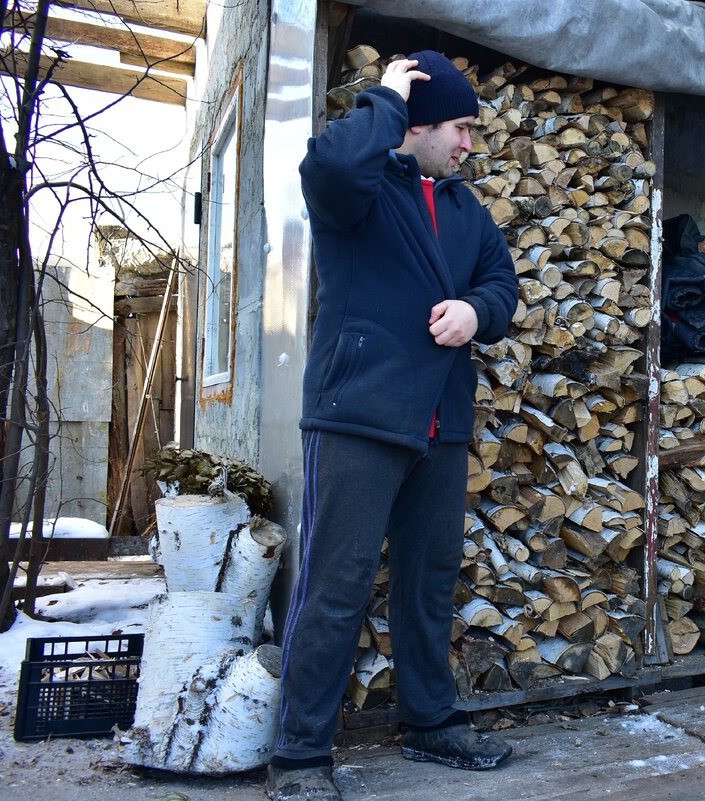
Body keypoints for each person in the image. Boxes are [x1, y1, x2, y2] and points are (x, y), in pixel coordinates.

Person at [266, 51, 518, 801]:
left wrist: (479, 311)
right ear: (418, 122)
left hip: (440, 424)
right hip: (359, 417)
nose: (470, 144)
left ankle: (429, 721)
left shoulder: (469, 210)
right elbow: (333, 166)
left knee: (427, 581)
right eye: (461, 127)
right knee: (335, 586)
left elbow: (502, 284)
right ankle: (301, 755)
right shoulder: (363, 187)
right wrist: (385, 97)